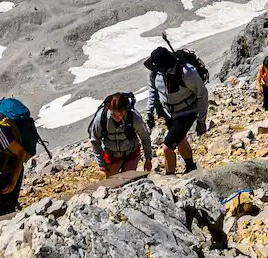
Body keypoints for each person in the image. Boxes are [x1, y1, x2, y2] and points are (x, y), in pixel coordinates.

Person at [146, 46, 210, 174]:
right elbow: (153, 90)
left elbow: (202, 94)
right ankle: (191, 167)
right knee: (180, 140)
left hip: (187, 111)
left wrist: (201, 120)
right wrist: (149, 111)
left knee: (167, 148)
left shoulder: (187, 72)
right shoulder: (155, 71)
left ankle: (170, 175)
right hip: (168, 111)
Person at [88, 91, 154, 176]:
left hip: (131, 153)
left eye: (121, 114)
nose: (118, 118)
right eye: (114, 115)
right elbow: (95, 141)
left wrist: (148, 158)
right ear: (109, 110)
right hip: (111, 154)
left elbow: (145, 137)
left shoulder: (134, 117)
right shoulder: (101, 118)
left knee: (127, 178)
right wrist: (101, 163)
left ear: (125, 110)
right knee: (114, 182)